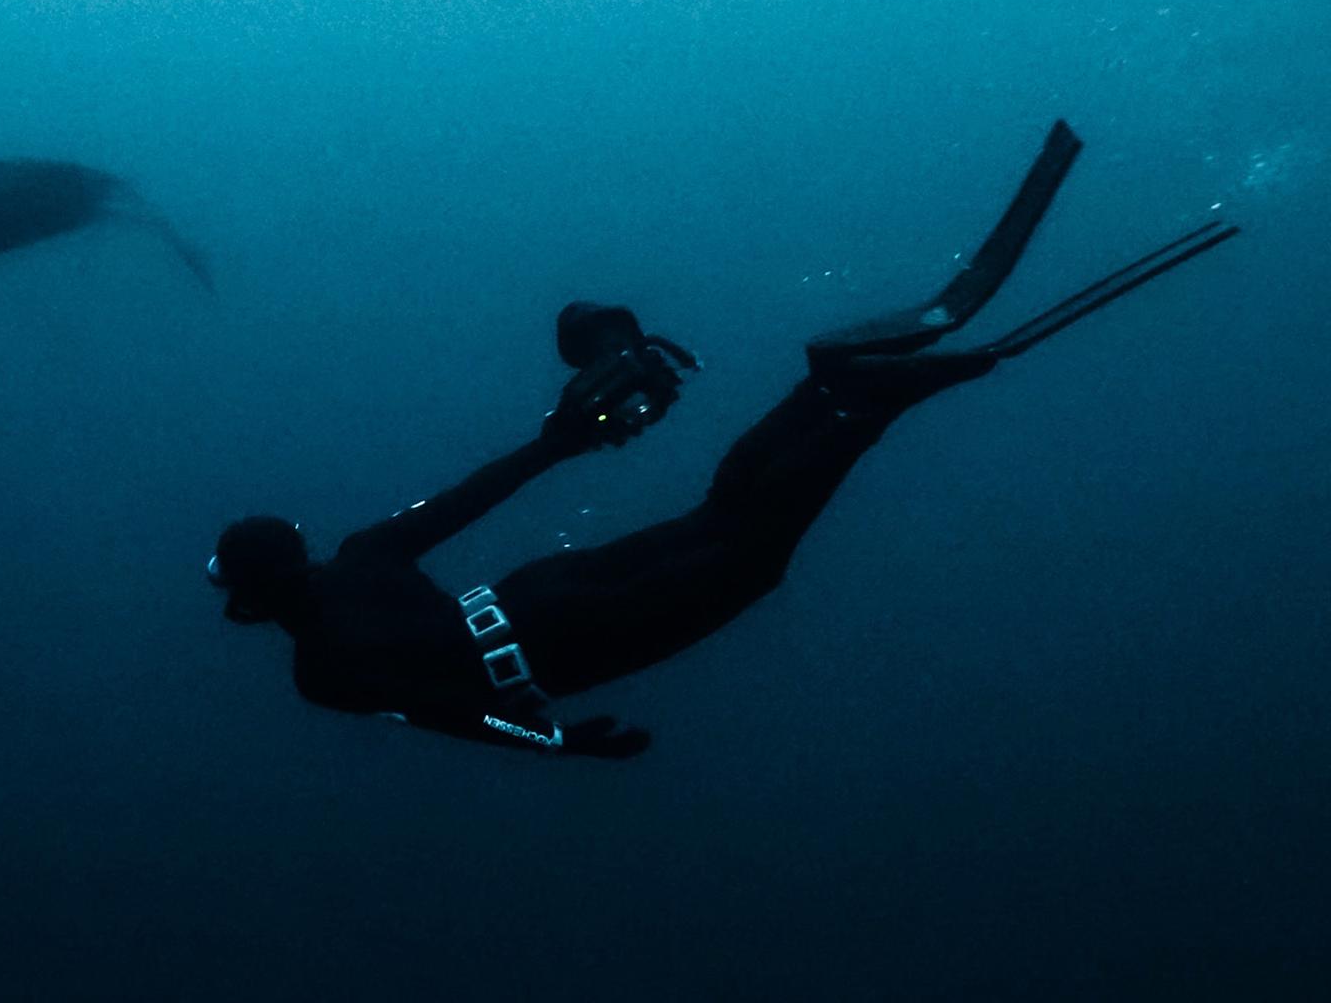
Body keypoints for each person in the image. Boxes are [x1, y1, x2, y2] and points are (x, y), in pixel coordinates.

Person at [205, 123, 1239, 757]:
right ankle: (833, 388)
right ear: (291, 552)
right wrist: (558, 442)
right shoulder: (359, 562)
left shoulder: (323, 670)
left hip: (558, 640)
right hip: (534, 597)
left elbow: (444, 712)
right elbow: (469, 499)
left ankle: (870, 401)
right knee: (729, 516)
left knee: (750, 552)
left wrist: (555, 740)